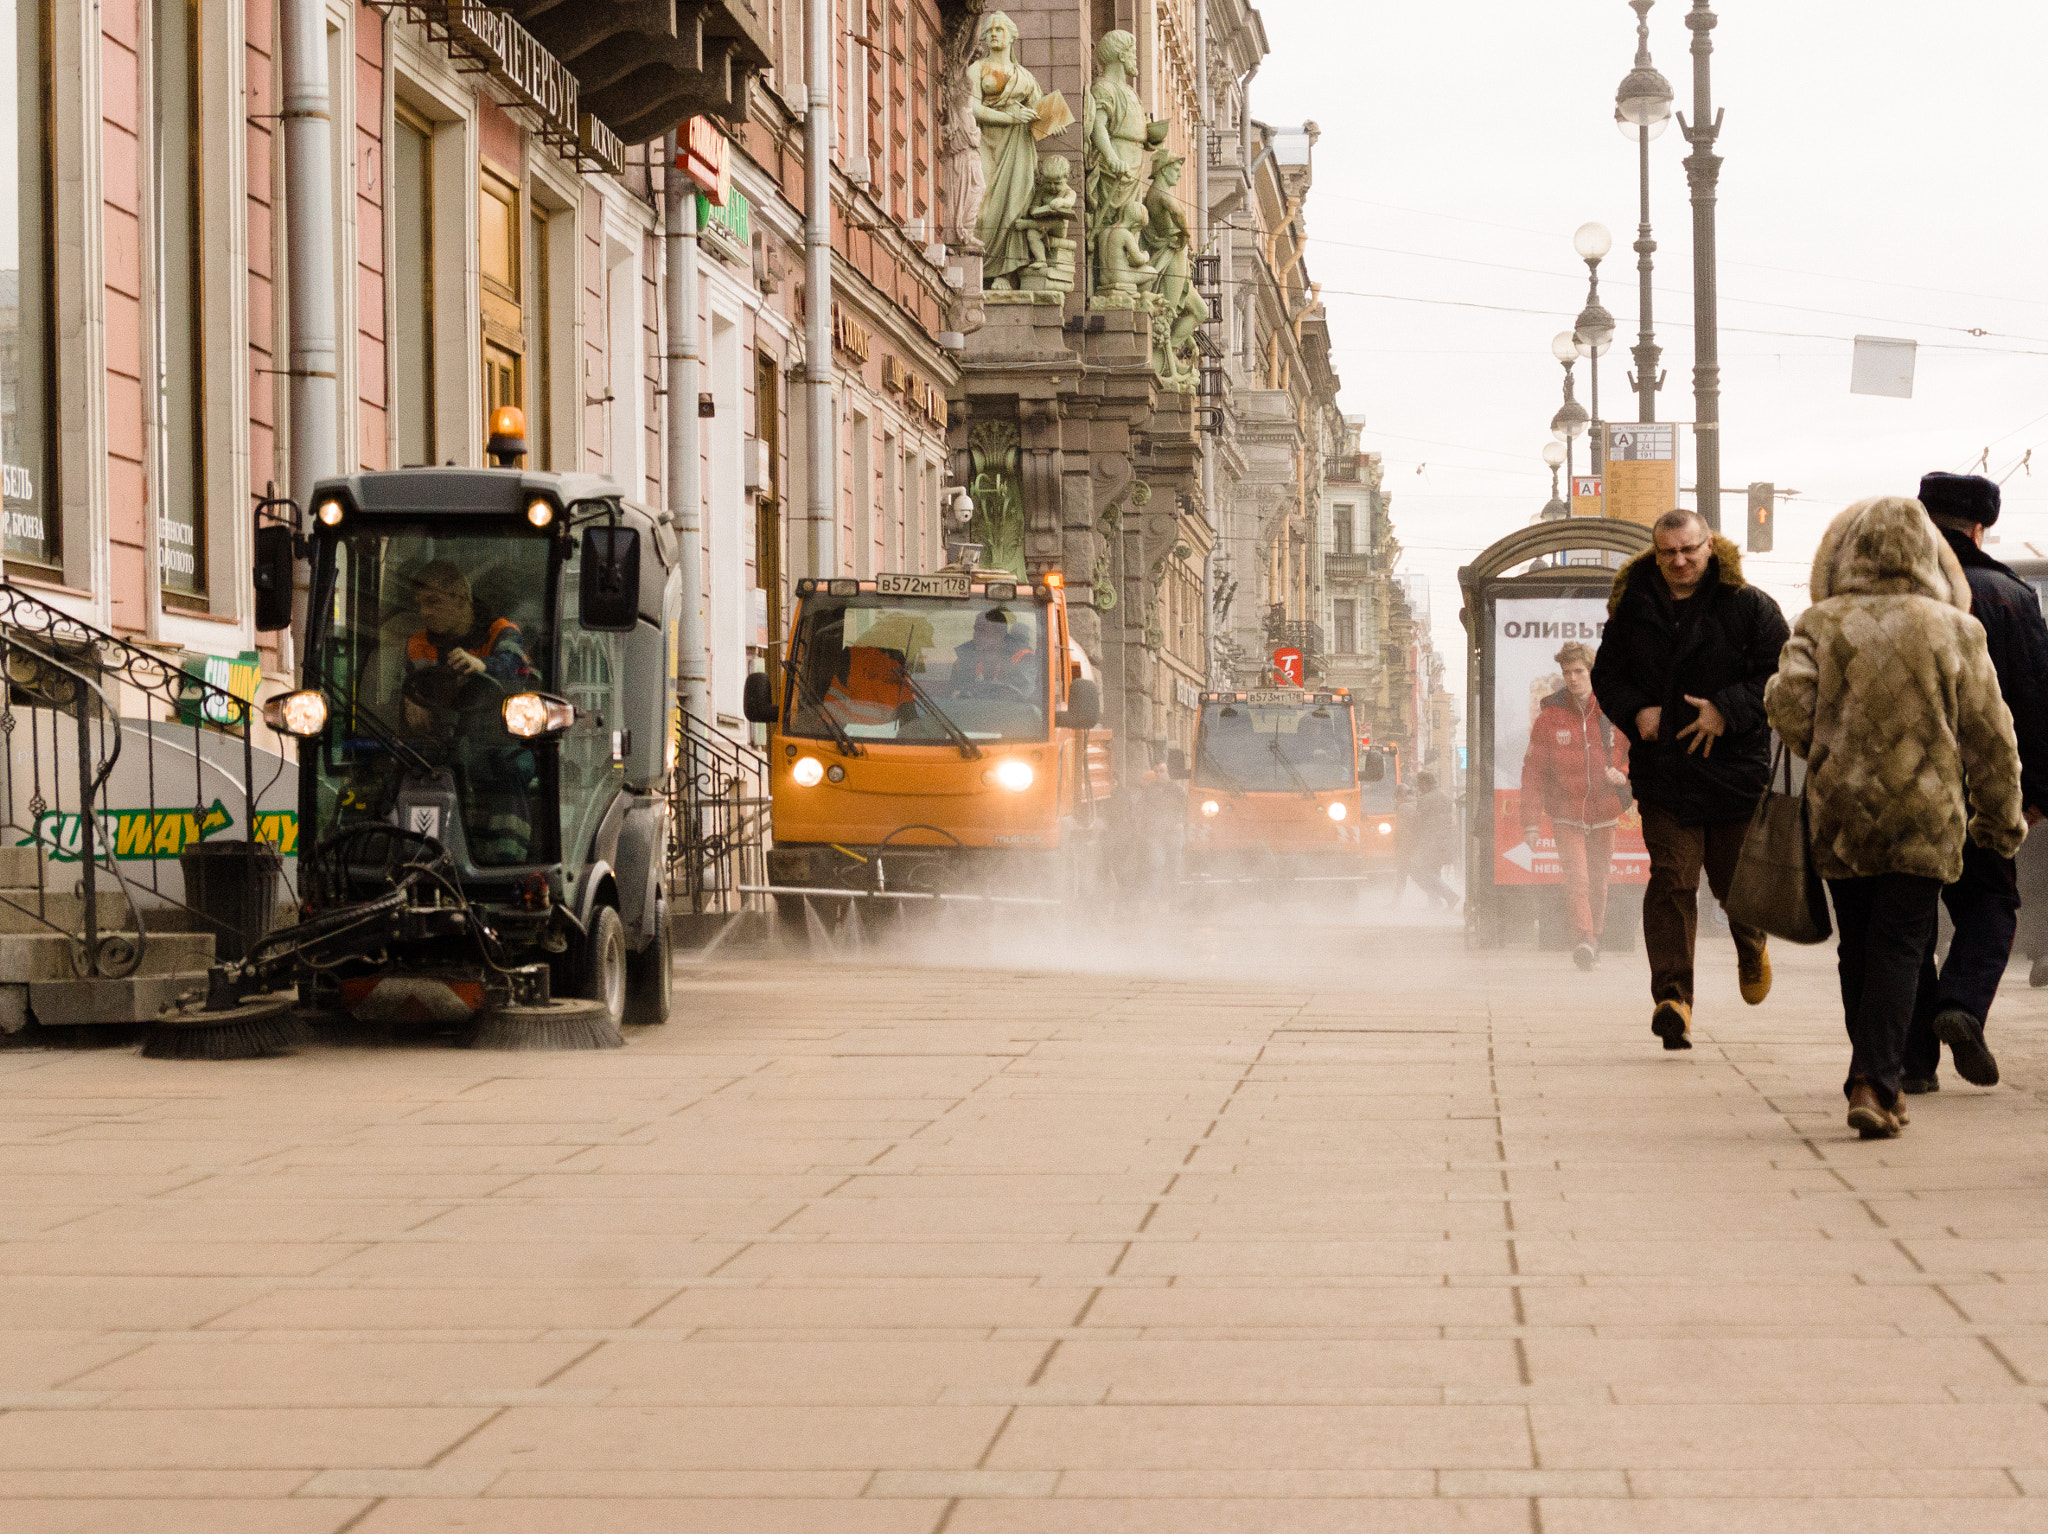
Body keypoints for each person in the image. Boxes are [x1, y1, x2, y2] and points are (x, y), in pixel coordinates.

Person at [1766, 495, 2023, 1138]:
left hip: (1842, 812)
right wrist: (2000, 819)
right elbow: (1992, 737)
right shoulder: (1954, 629)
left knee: (1858, 945)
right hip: (1924, 811)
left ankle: (1874, 1073)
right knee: (1903, 944)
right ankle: (1876, 1082)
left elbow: (1789, 709)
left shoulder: (1821, 624)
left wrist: (1828, 746)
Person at [1592, 506, 1790, 1049]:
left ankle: (1751, 942)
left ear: (1710, 547)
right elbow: (1606, 676)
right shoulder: (1633, 609)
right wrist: (1636, 712)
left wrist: (1726, 708)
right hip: (1665, 773)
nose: (1680, 561)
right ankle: (1673, 999)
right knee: (1673, 879)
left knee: (1733, 885)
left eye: (1689, 550)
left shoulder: (1750, 606)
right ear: (1656, 554)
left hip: (1732, 772)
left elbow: (1781, 673)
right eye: (1668, 552)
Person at [1899, 473, 2048, 1092]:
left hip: (1901, 783)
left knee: (1908, 922)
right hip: (1980, 778)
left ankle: (1911, 1065)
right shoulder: (2009, 596)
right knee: (1990, 902)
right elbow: (2037, 700)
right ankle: (1961, 1002)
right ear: (1980, 528)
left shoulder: (1893, 593)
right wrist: (2035, 791)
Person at [1521, 641, 1631, 971]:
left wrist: (1622, 774)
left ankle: (1593, 939)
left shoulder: (1613, 713)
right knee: (1578, 881)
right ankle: (1582, 938)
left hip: (1604, 811)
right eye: (1567, 672)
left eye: (1579, 671)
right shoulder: (1550, 718)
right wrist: (1530, 823)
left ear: (1591, 672)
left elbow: (1635, 757)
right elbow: (1533, 770)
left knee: (1599, 883)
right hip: (1566, 813)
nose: (1573, 678)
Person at [403, 561, 534, 732]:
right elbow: (405, 684)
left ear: (461, 599)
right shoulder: (417, 644)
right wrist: (410, 700)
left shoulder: (501, 632)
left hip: (494, 738)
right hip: (435, 742)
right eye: (420, 604)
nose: (424, 612)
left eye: (433, 601)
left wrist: (481, 665)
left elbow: (514, 664)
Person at [1394, 770, 1457, 910]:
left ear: (1425, 783)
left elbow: (1418, 823)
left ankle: (1450, 896)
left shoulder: (1425, 799)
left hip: (1430, 841)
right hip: (1445, 841)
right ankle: (1434, 903)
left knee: (1422, 871)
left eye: (1419, 784)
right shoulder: (1445, 796)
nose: (1419, 788)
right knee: (1434, 870)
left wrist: (1413, 842)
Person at [952, 609, 1034, 693]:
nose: (975, 634)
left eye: (981, 630)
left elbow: (1024, 695)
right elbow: (954, 695)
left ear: (1000, 633)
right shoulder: (963, 660)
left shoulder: (1023, 658)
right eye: (975, 629)